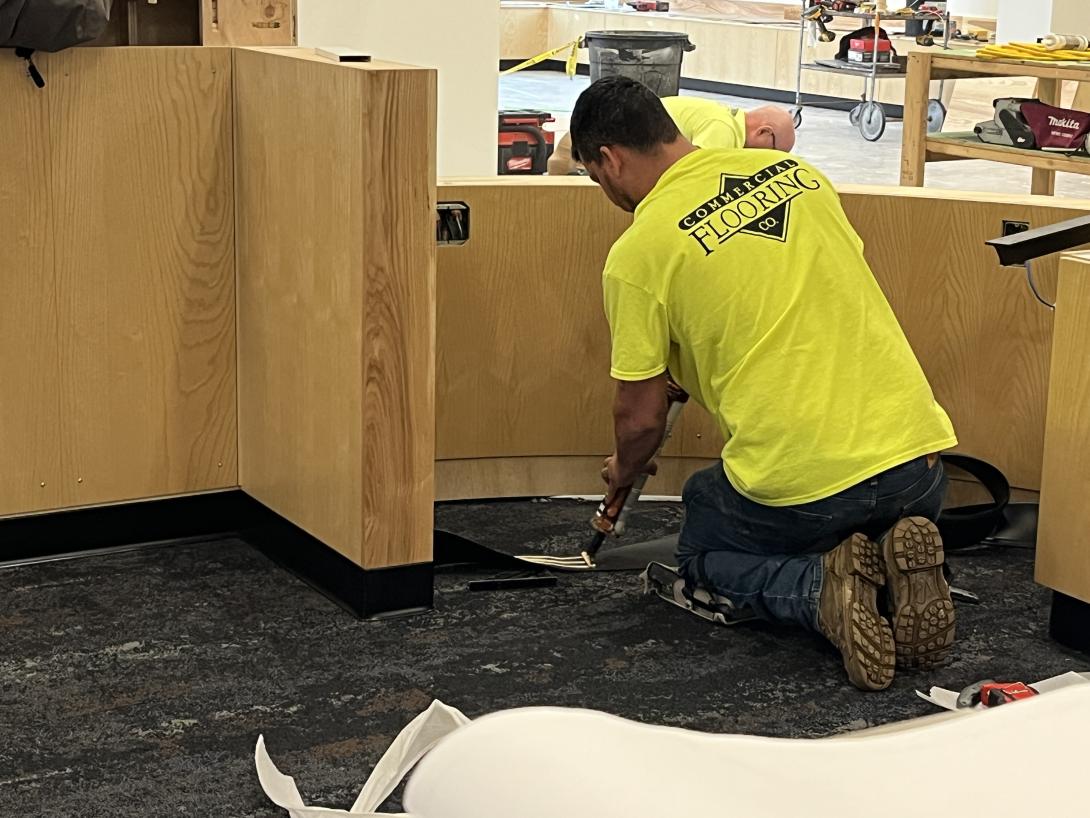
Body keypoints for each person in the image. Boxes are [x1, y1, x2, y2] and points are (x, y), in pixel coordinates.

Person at [570, 76, 957, 692]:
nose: (605, 191)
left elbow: (640, 420)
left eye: (596, 177)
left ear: (610, 159)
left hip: (805, 491)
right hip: (920, 466)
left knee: (702, 532)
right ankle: (887, 560)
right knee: (847, 507)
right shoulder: (800, 177)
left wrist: (622, 470)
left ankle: (818, 589)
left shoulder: (639, 254)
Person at [548, 95, 796, 175]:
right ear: (764, 132)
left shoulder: (722, 116)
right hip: (587, 157)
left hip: (588, 143)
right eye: (773, 153)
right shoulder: (725, 130)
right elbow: (699, 177)